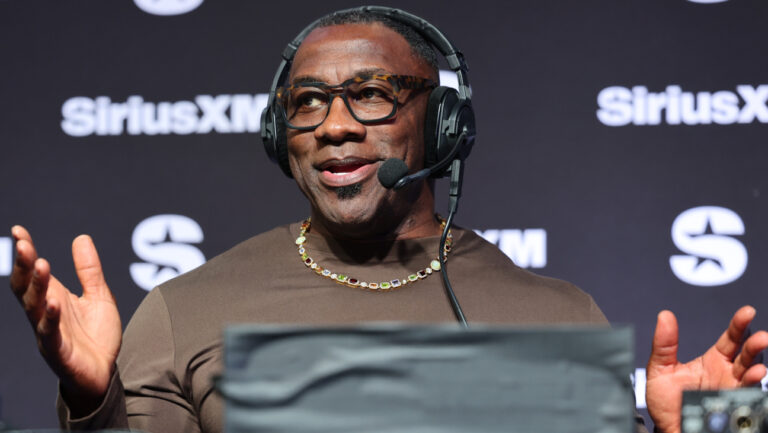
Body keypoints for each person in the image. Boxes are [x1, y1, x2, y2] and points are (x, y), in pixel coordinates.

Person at [9, 8, 768, 433]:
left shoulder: (558, 317)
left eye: (371, 95)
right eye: (308, 102)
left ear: (441, 125)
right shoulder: (186, 310)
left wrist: (696, 431)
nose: (334, 125)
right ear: (280, 136)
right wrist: (94, 400)